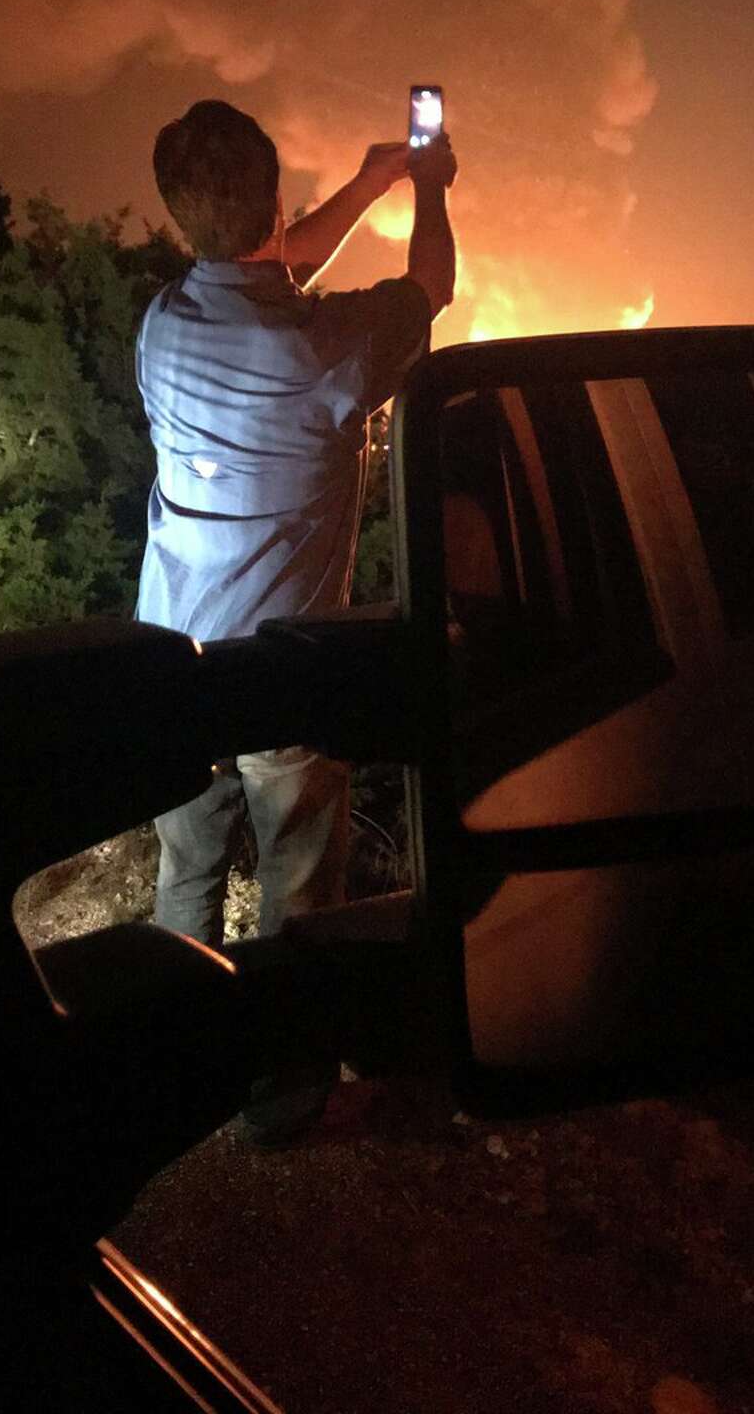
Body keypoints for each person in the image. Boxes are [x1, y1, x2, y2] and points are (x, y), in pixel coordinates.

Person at [134, 99, 456, 1139]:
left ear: (183, 217)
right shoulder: (330, 353)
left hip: (174, 661)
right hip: (281, 675)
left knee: (185, 871)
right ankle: (278, 1096)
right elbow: (429, 290)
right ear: (276, 201)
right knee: (299, 889)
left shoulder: (163, 327)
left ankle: (170, 1066)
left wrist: (366, 184)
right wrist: (427, 187)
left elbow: (263, 271)